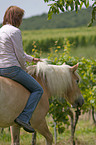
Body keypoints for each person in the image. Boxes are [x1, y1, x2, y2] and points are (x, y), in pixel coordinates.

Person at [0, 6, 43, 133]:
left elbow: (15, 52)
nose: (22, 21)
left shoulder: (1, 30)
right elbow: (19, 54)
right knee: (38, 89)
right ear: (17, 18)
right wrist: (24, 69)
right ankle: (24, 117)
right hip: (12, 69)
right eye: (21, 18)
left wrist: (32, 59)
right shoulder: (15, 31)